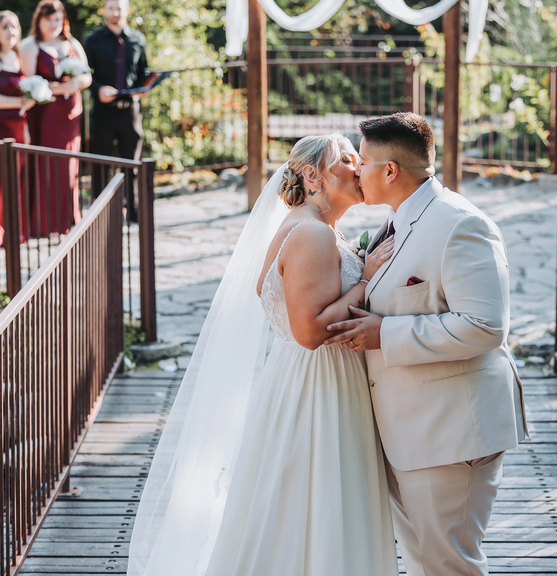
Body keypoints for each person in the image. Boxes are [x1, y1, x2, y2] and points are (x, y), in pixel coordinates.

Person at [127, 134, 399, 576]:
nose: (359, 166)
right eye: (348, 159)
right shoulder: (311, 232)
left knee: (302, 497)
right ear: (313, 175)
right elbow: (309, 331)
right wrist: (367, 280)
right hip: (319, 385)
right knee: (320, 495)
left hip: (308, 378)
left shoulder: (318, 228)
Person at [324, 112, 528, 576]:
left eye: (364, 162)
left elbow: (485, 326)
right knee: (421, 563)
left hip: (452, 434)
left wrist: (384, 333)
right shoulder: (397, 219)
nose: (356, 171)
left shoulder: (460, 224)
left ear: (390, 171)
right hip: (408, 433)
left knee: (449, 565)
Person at [20, 0, 91, 237]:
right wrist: (62, 88)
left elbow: (87, 77)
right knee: (48, 164)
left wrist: (76, 83)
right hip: (46, 115)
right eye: (48, 19)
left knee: (69, 164)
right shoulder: (30, 46)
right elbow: (29, 83)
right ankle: (45, 223)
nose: (53, 24)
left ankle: (68, 220)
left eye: (57, 19)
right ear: (39, 21)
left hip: (71, 117)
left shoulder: (72, 43)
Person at [84, 0, 150, 219]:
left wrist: (144, 87)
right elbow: (85, 74)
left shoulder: (138, 39)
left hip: (130, 111)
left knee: (132, 163)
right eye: (111, 7)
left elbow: (143, 71)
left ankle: (132, 210)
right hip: (104, 111)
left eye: (120, 7)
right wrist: (98, 88)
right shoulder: (92, 41)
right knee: (101, 163)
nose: (116, 12)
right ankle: (101, 214)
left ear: (127, 10)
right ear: (104, 10)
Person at [0, 10, 35, 245]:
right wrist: (19, 103)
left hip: (19, 126)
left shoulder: (19, 58)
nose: (10, 31)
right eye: (4, 27)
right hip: (0, 127)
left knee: (17, 179)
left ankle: (15, 229)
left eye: (13, 26)